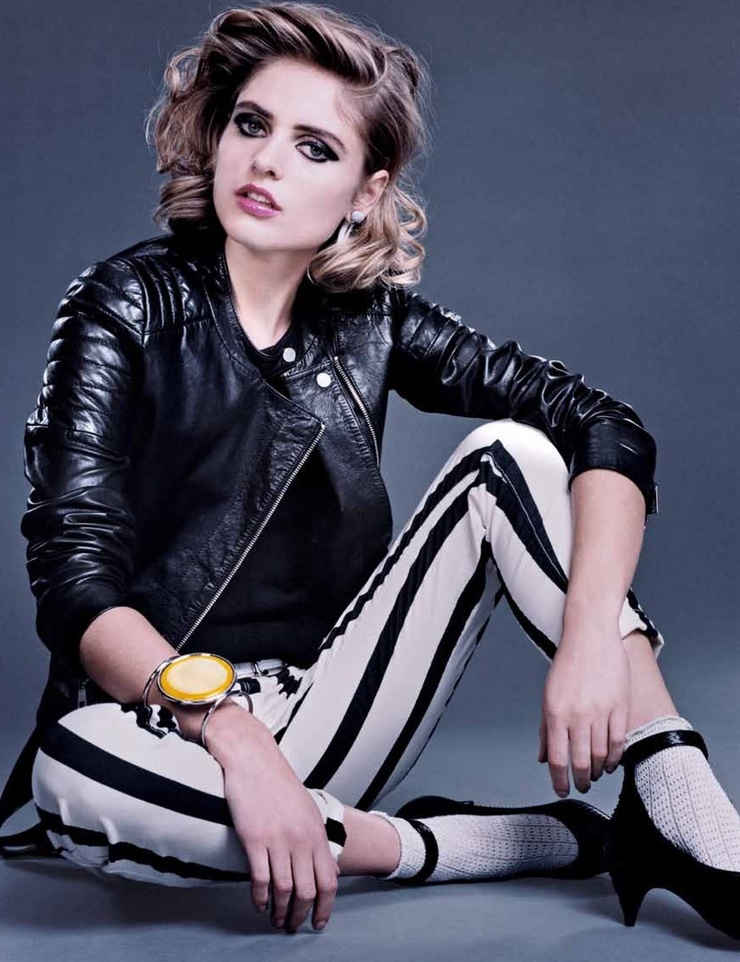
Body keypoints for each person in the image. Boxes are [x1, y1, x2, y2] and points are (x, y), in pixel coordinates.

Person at [1, 0, 739, 941]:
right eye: (252, 125)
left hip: (330, 704)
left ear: (364, 191)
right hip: (162, 726)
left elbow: (603, 424)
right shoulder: (125, 305)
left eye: (315, 148)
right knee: (71, 774)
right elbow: (74, 581)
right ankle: (453, 844)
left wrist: (592, 631)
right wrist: (229, 731)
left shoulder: (372, 320)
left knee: (509, 455)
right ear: (219, 138)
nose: (267, 161)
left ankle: (679, 799)